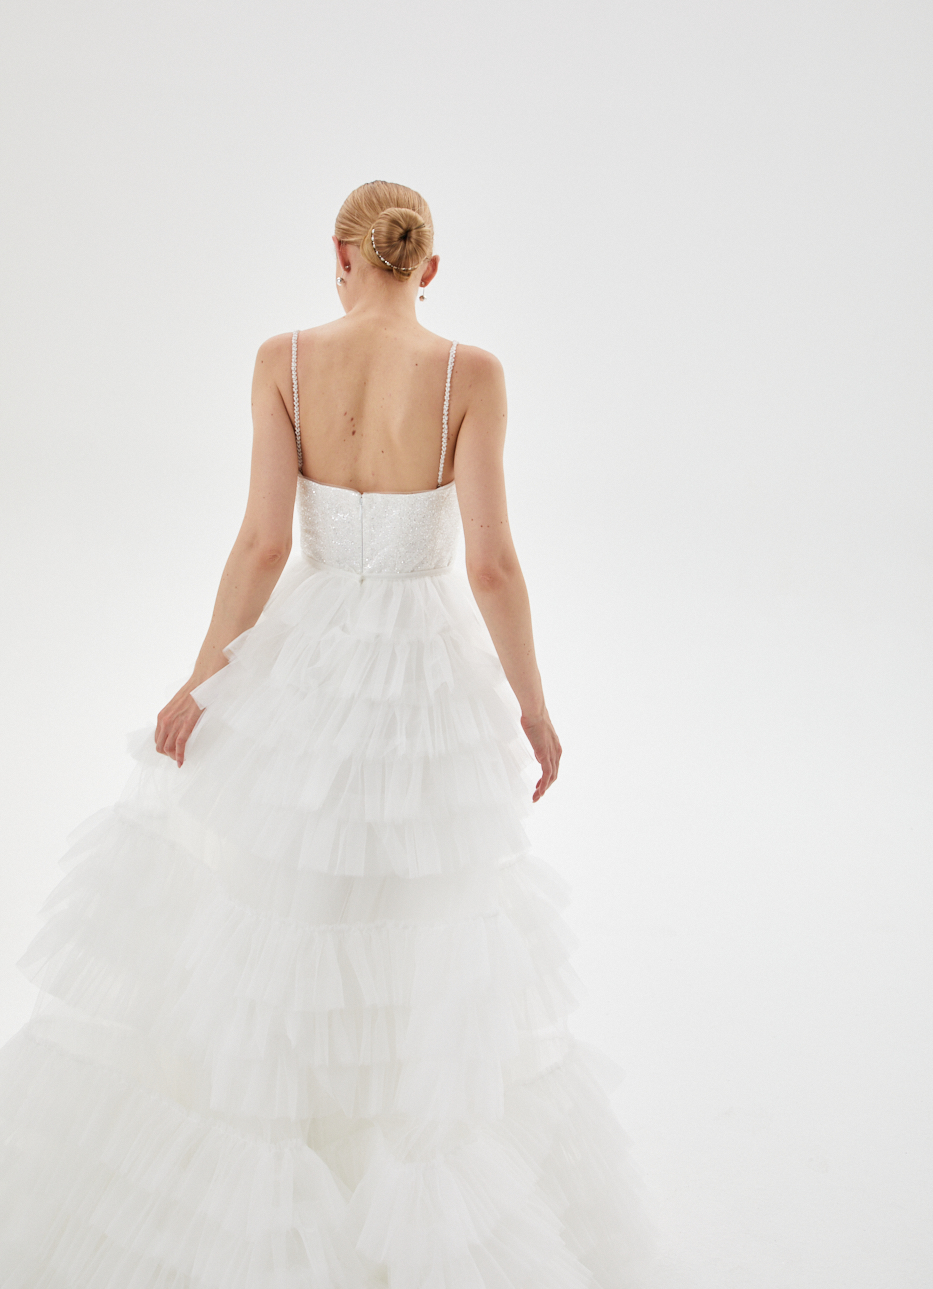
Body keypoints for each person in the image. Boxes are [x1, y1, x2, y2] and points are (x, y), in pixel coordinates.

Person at [0, 180, 649, 1286]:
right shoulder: (472, 373)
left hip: (300, 656)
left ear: (340, 256)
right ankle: (388, 1158)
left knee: (283, 891)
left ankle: (282, 1135)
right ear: (428, 267)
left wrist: (203, 681)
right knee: (412, 906)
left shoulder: (284, 359)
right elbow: (491, 564)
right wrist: (533, 705)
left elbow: (263, 544)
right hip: (422, 672)